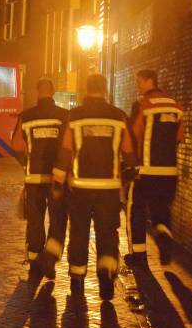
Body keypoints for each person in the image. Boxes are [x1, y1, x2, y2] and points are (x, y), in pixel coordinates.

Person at [54, 74, 137, 300]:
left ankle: (77, 279)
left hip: (79, 187)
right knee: (107, 233)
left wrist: (58, 182)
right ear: (105, 89)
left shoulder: (75, 116)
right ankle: (107, 276)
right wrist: (130, 173)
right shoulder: (119, 117)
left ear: (86, 89)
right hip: (109, 189)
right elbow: (129, 152)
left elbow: (65, 152)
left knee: (79, 232)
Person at [10, 78, 69, 282]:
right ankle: (50, 258)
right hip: (57, 178)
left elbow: (17, 145)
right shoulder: (64, 116)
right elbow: (69, 146)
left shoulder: (26, 116)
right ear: (52, 92)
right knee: (58, 218)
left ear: (37, 92)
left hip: (34, 177)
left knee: (35, 219)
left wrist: (26, 163)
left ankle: (35, 262)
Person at [125, 69, 184, 266]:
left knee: (137, 210)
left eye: (139, 81)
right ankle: (164, 235)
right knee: (161, 209)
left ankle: (139, 256)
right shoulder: (176, 106)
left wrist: (130, 165)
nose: (138, 85)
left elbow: (132, 134)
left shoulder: (143, 105)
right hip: (169, 172)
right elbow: (179, 138)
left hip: (146, 171)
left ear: (150, 81)